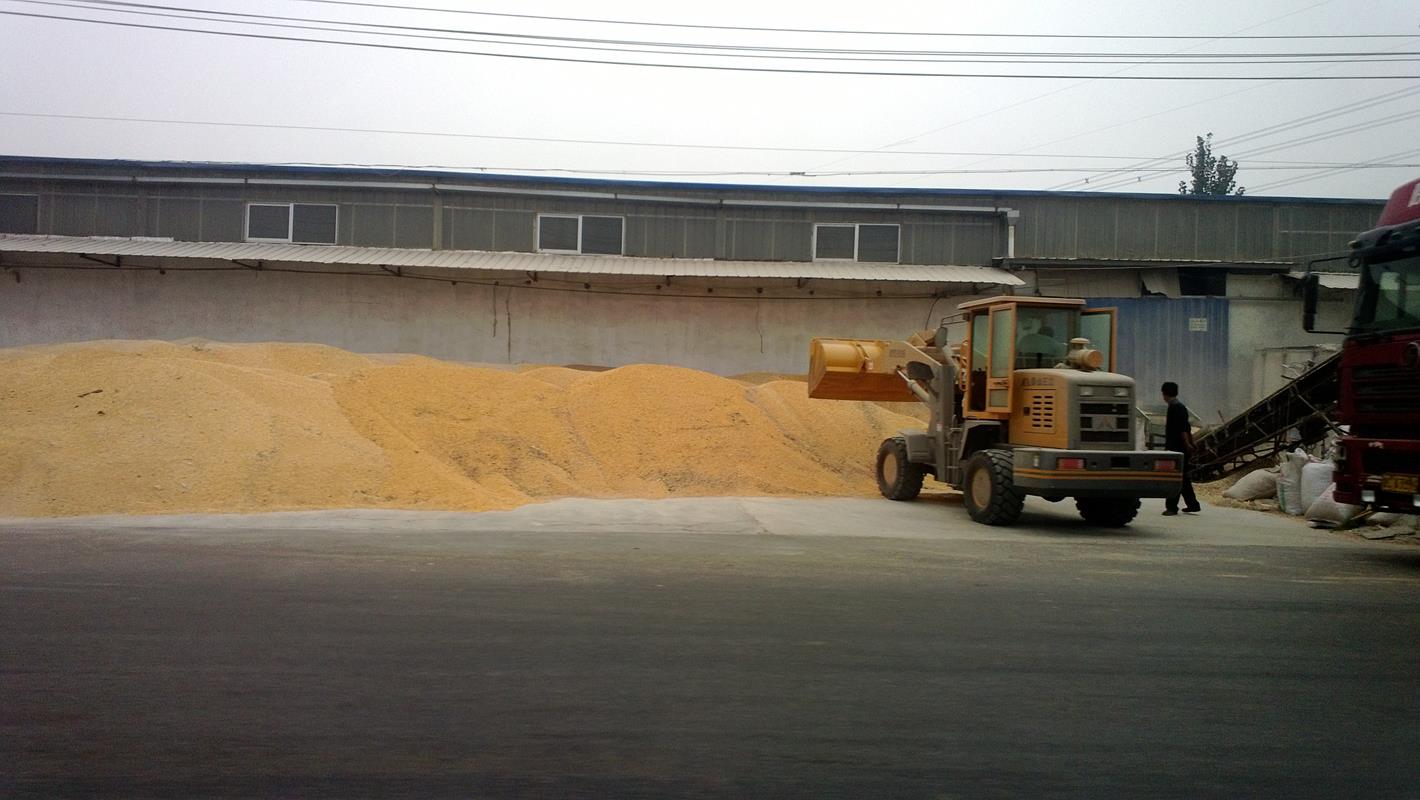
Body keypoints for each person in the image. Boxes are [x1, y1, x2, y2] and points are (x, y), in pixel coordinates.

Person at [1162, 381, 1201, 516]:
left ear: (1164, 394)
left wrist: (1188, 444)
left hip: (1177, 448)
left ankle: (1172, 507)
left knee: (1175, 477)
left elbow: (1182, 429)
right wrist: (1191, 442)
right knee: (1183, 478)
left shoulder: (1174, 407)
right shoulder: (1181, 407)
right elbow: (1187, 427)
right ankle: (1193, 504)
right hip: (1181, 447)